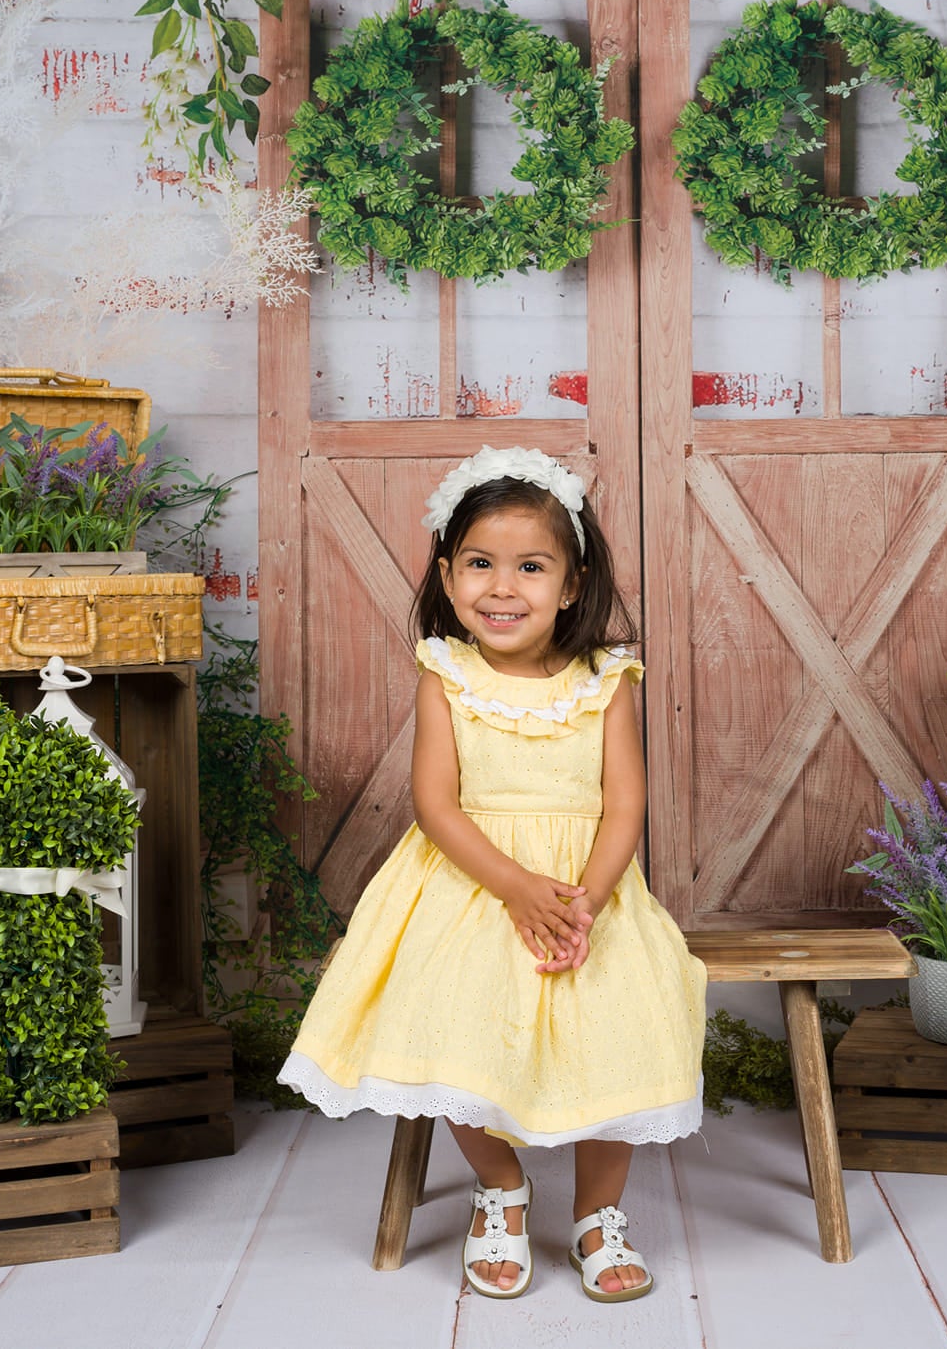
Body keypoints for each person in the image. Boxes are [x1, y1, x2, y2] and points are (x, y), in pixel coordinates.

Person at [280, 446, 707, 1304]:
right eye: (479, 564)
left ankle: (597, 1214)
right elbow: (437, 805)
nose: (502, 588)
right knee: (452, 1014)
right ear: (446, 573)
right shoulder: (447, 674)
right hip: (471, 882)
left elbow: (624, 803)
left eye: (531, 567)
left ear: (573, 584)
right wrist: (515, 889)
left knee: (621, 1021)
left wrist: (584, 898)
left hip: (588, 886)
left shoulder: (606, 679)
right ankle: (502, 1188)